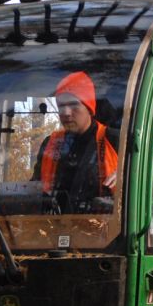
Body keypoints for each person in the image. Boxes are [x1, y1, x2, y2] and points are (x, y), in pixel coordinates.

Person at [33, 71, 119, 213]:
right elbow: (35, 187)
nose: (66, 112)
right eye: (61, 106)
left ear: (89, 108)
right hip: (53, 228)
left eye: (73, 105)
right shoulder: (50, 144)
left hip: (105, 229)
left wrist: (125, 176)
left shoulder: (114, 140)